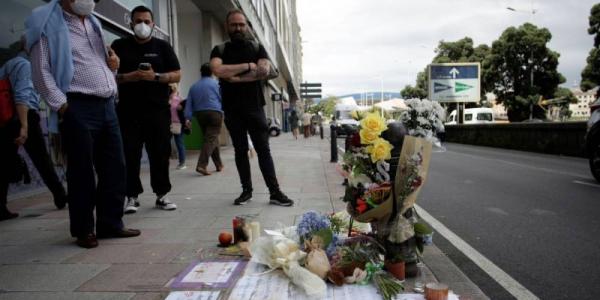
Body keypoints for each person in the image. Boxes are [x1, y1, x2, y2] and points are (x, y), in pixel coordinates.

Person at [26, 0, 140, 248]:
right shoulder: (46, 24)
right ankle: (84, 229)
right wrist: (63, 106)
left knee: (115, 167)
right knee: (82, 172)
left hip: (107, 104)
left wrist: (114, 66)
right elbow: (40, 71)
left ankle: (111, 223)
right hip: (77, 104)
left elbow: (99, 61)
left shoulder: (94, 23)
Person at [210, 9, 293, 206]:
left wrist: (235, 78)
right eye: (234, 25)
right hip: (232, 109)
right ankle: (246, 191)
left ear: (246, 26)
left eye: (241, 24)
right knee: (240, 151)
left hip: (255, 107)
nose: (238, 28)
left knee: (264, 150)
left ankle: (275, 192)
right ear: (227, 27)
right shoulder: (220, 50)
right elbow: (217, 70)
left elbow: (263, 70)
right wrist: (248, 66)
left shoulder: (257, 48)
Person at [111, 5, 181, 214]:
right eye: (138, 21)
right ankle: (131, 196)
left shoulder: (162, 47)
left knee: (160, 153)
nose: (142, 25)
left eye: (146, 21)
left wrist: (156, 77)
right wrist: (129, 76)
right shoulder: (119, 45)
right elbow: (109, 76)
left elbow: (177, 74)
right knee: (129, 155)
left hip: (158, 111)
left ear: (153, 24)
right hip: (128, 111)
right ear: (131, 23)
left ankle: (162, 194)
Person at [0, 38, 68, 217]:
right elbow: (22, 95)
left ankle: (0, 207)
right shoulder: (25, 65)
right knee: (42, 159)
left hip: (6, 119)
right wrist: (24, 125)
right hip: (23, 116)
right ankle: (60, 195)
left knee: (5, 162)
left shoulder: (9, 64)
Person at [184, 63, 223, 176]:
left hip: (200, 115)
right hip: (215, 113)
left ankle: (219, 164)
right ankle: (202, 165)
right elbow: (223, 98)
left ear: (200, 72)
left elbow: (189, 104)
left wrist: (188, 118)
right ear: (212, 72)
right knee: (210, 139)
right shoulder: (217, 84)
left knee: (211, 138)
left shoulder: (194, 86)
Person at [169, 83, 187, 170]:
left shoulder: (177, 99)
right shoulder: (174, 99)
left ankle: (182, 162)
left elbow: (184, 111)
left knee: (179, 143)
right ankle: (181, 162)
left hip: (175, 124)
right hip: (172, 124)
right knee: (177, 143)